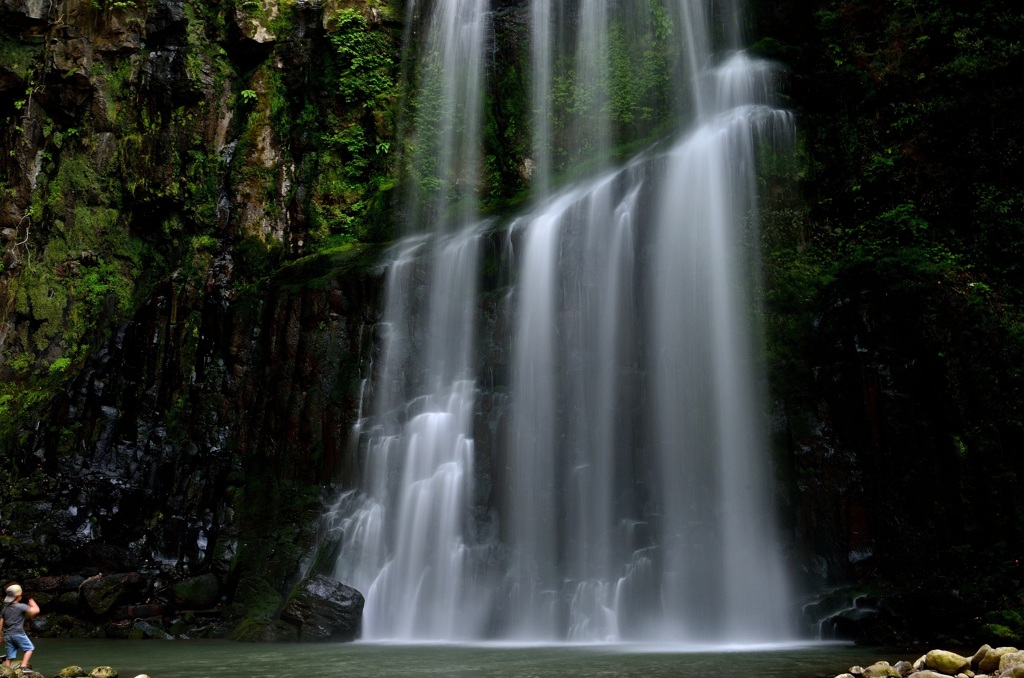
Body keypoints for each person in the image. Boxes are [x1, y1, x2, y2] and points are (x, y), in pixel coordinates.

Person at [1, 583, 40, 672]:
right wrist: (33, 604)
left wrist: (0, 635)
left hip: (7, 635)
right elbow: (35, 611)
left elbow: (1, 622)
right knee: (29, 649)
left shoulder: (5, 608)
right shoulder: (21, 606)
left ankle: (7, 671)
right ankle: (23, 666)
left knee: (9, 656)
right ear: (19, 596)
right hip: (18, 633)